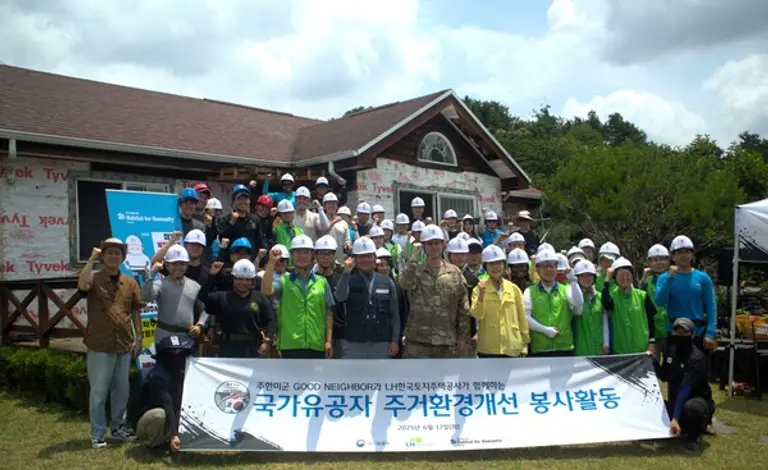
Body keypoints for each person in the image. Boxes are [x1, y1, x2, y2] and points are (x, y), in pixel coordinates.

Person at [78, 238, 143, 448]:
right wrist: (91, 259)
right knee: (98, 391)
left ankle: (118, 428)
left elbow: (135, 310)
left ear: (123, 258)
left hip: (124, 343)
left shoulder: (130, 282)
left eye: (118, 253)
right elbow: (82, 284)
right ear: (103, 256)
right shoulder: (95, 279)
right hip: (100, 344)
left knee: (121, 390)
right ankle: (98, 433)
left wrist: (139, 336)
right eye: (109, 253)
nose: (114, 256)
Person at [399, 224, 471, 358]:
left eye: (437, 243)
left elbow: (463, 306)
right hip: (417, 340)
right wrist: (414, 257)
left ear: (443, 244)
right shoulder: (416, 270)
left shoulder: (454, 272)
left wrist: (462, 335)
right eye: (430, 243)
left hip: (446, 341)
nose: (434, 247)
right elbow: (404, 284)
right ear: (424, 246)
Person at [261, 235, 334, 359]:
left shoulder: (322, 282)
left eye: (306, 252)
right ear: (291, 255)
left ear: (312, 255)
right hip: (290, 346)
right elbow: (266, 289)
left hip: (316, 345)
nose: (302, 256)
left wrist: (328, 341)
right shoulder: (284, 281)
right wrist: (272, 262)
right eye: (298, 252)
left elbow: (328, 313)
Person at [654, 318, 715, 451]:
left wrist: (675, 417)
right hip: (676, 402)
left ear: (692, 335)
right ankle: (670, 426)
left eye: (684, 333)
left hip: (696, 402)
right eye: (677, 333)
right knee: (651, 403)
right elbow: (664, 376)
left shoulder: (697, 358)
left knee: (691, 408)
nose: (680, 336)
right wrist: (652, 361)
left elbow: (685, 388)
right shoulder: (671, 351)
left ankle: (694, 436)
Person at [334, 237, 401, 359]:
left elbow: (394, 314)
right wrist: (346, 273)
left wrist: (395, 340)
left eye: (369, 256)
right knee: (353, 377)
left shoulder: (387, 282)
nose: (365, 260)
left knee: (381, 377)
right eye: (361, 256)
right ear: (355, 259)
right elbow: (339, 297)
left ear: (375, 258)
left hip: (381, 341)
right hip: (354, 341)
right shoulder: (348, 279)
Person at [654, 235, 717, 352]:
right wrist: (669, 279)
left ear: (692, 255)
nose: (683, 256)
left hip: (697, 334)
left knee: (698, 368)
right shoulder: (664, 277)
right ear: (672, 256)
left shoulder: (703, 278)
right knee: (674, 369)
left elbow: (711, 307)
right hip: (674, 332)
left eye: (687, 252)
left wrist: (710, 333)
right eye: (679, 252)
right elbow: (660, 301)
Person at [134, 334, 195, 455]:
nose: (177, 356)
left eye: (180, 352)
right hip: (147, 423)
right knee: (159, 414)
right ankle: (154, 444)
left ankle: (171, 441)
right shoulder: (157, 377)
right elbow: (167, 403)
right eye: (173, 352)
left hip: (168, 422)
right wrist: (174, 435)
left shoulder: (181, 374)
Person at [202, 259, 276, 358]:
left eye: (247, 279)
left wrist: (267, 341)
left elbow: (272, 320)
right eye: (239, 279)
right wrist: (211, 276)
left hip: (253, 349)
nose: (243, 282)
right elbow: (202, 297)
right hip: (228, 348)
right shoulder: (222, 297)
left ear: (252, 280)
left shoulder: (260, 298)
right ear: (233, 279)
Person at [471, 245, 529, 358]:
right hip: (488, 349)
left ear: (504, 265)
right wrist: (481, 296)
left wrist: (524, 344)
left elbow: (522, 318)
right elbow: (477, 314)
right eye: (491, 264)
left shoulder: (514, 289)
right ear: (485, 267)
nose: (496, 267)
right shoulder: (478, 289)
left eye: (499, 263)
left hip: (512, 346)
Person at [142, 245, 208, 345]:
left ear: (187, 265)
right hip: (164, 338)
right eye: (174, 264)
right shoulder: (159, 284)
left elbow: (205, 308)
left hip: (188, 340)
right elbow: (145, 297)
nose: (178, 268)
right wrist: (151, 275)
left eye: (182, 264)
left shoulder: (195, 286)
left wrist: (200, 325)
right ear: (167, 265)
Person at [523, 249, 584, 357]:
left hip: (564, 347)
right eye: (545, 266)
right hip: (540, 349)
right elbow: (526, 317)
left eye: (553, 265)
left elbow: (578, 306)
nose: (549, 269)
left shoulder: (566, 289)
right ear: (537, 269)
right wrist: (545, 330)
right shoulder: (529, 291)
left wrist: (574, 280)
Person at [602, 257, 656, 355]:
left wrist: (652, 342)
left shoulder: (642, 296)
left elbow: (651, 321)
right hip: (621, 351)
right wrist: (606, 280)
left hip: (642, 350)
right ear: (615, 278)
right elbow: (606, 304)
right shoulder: (612, 296)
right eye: (621, 275)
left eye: (627, 274)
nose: (625, 278)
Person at [313, 235, 345, 358]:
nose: (326, 258)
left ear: (334, 256)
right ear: (316, 256)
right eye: (322, 254)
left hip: (339, 334)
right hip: (317, 334)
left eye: (329, 254)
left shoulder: (340, 278)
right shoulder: (311, 279)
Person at [572, 259, 610, 356]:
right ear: (577, 278)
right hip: (579, 350)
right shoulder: (572, 296)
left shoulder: (600, 297)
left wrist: (606, 344)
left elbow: (604, 321)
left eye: (589, 275)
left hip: (599, 349)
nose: (586, 278)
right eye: (582, 275)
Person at [217, 184, 263, 258]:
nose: (243, 202)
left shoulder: (255, 219)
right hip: (231, 261)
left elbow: (260, 241)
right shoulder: (225, 219)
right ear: (233, 201)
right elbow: (222, 240)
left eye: (245, 199)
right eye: (239, 199)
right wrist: (231, 223)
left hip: (250, 260)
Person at [641, 244, 671, 342]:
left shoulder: (674, 279)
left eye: (662, 259)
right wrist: (643, 280)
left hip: (673, 330)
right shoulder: (646, 282)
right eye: (655, 260)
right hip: (653, 332)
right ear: (649, 263)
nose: (659, 263)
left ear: (668, 261)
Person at [322, 194, 351, 264]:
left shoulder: (343, 223)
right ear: (324, 206)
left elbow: (347, 240)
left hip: (339, 261)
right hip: (322, 261)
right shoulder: (319, 220)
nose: (331, 206)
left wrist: (347, 244)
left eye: (334, 203)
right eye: (329, 203)